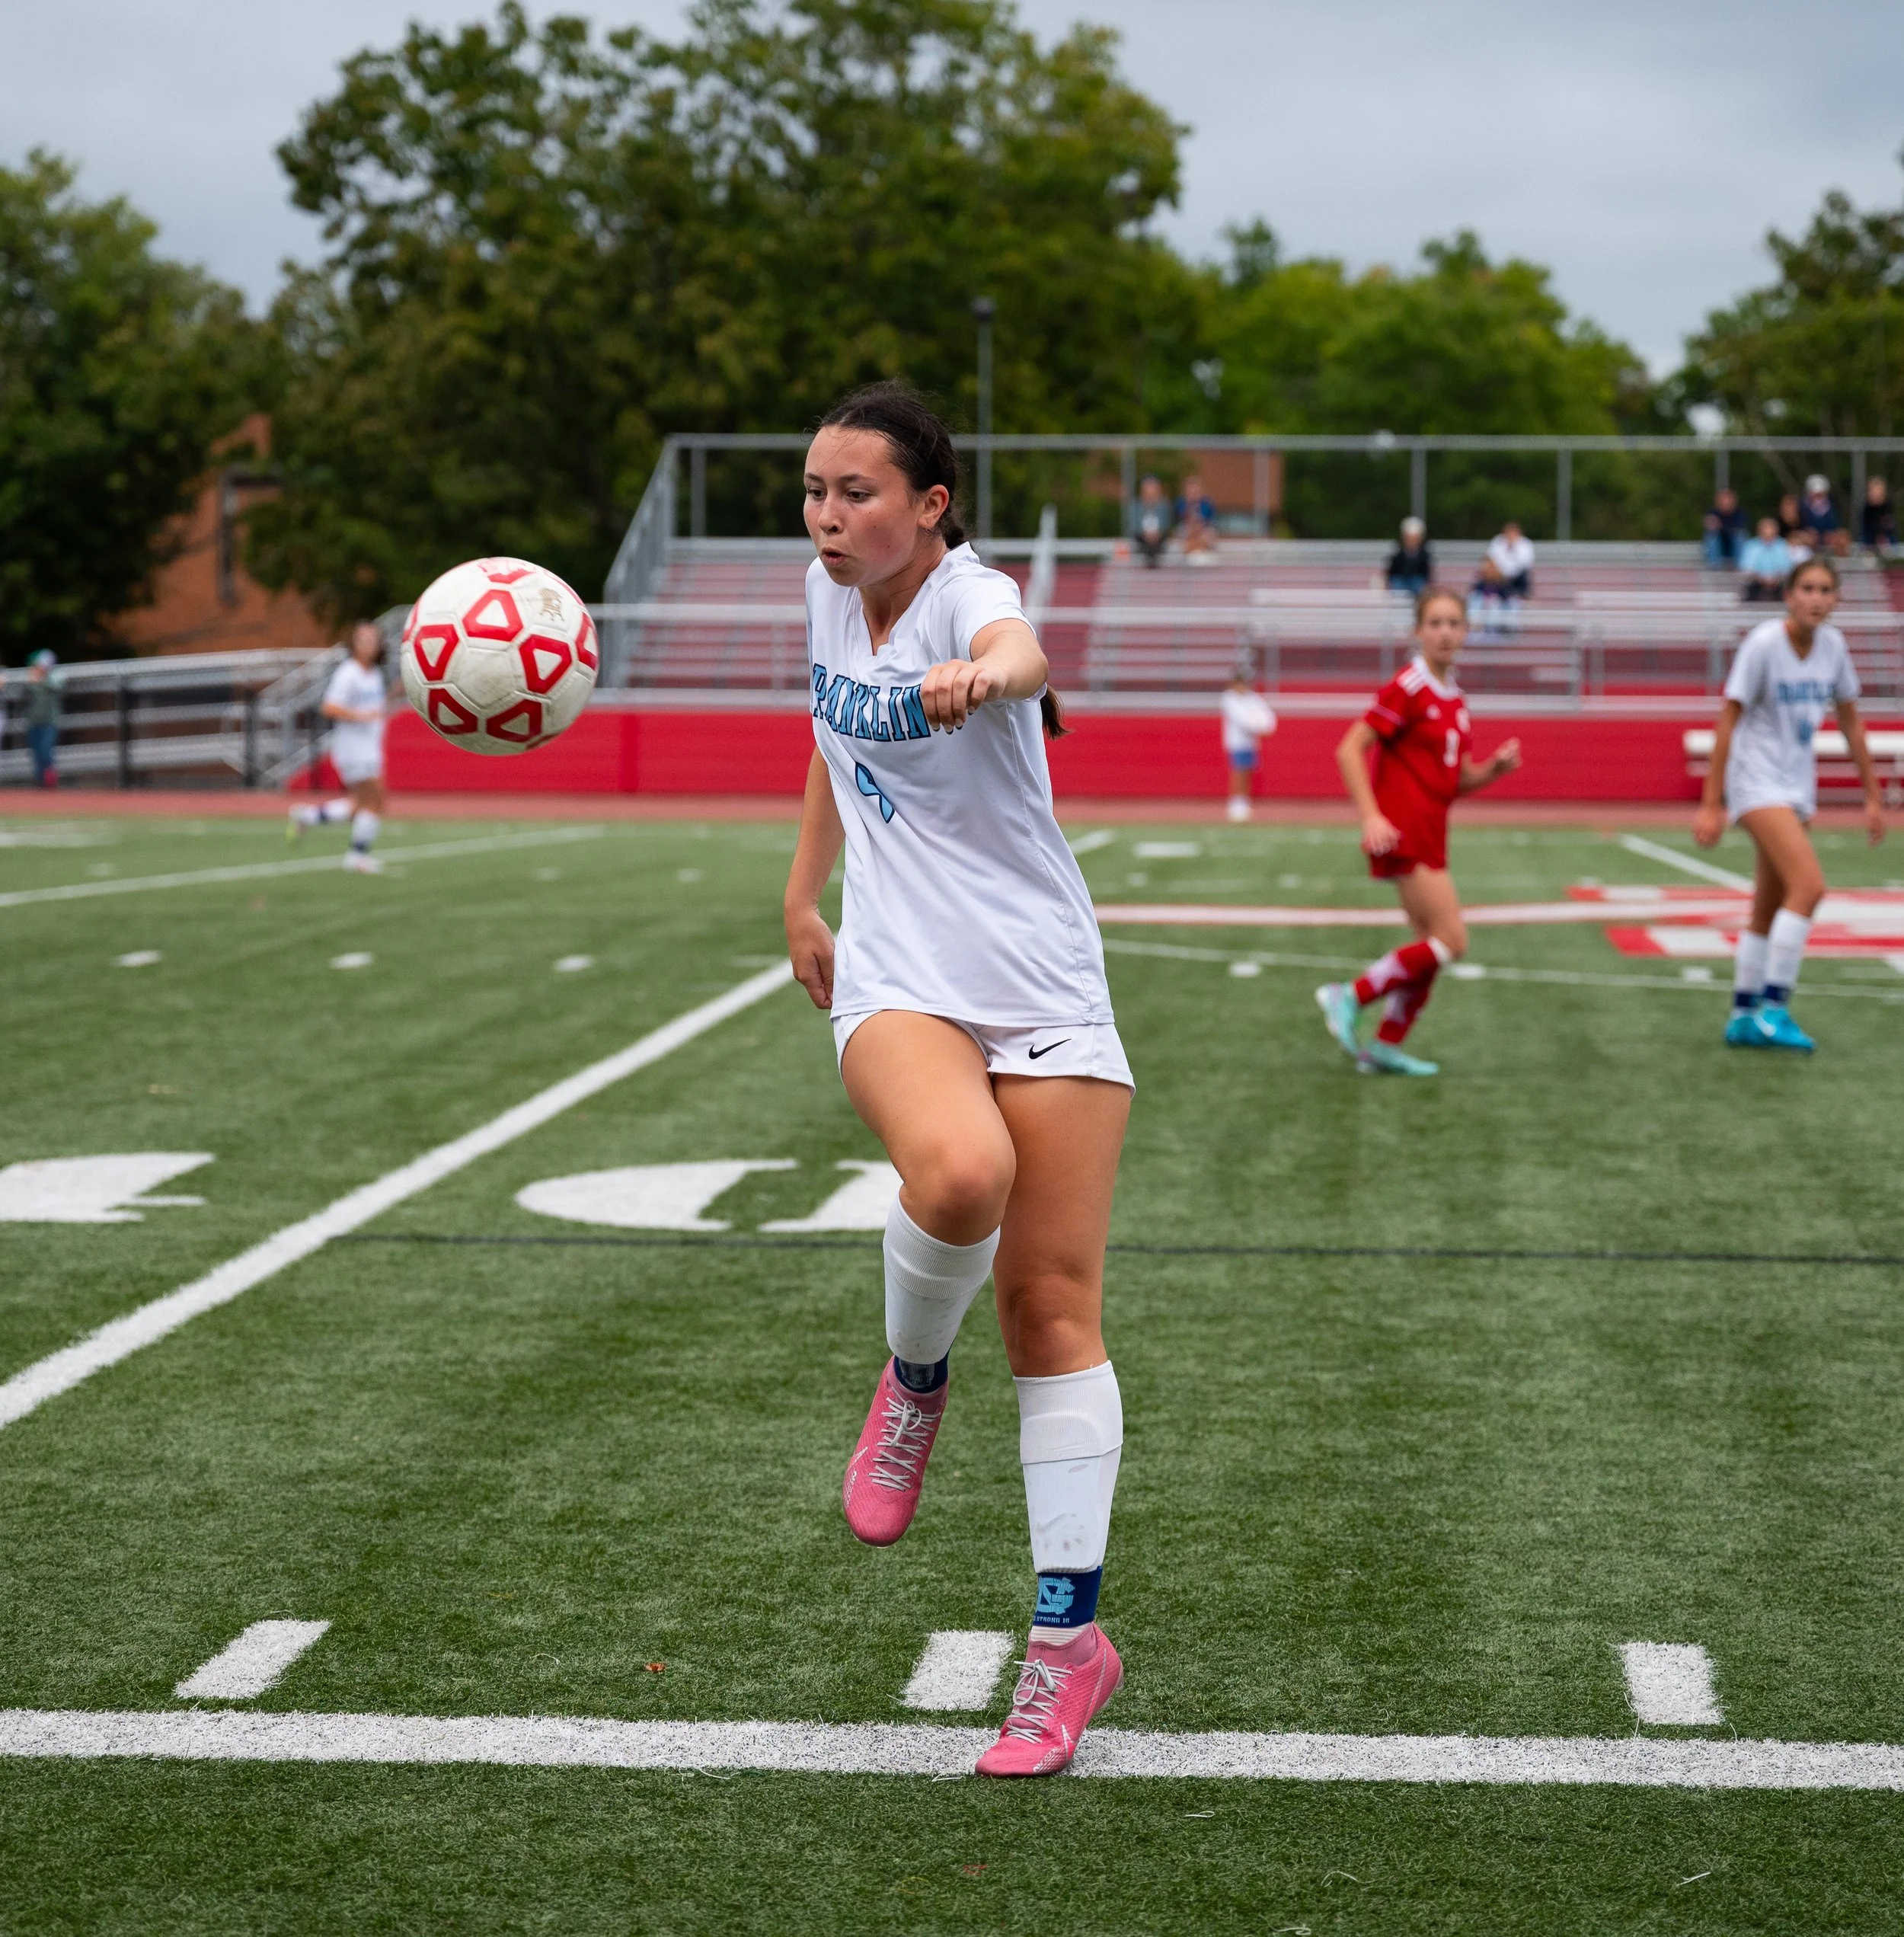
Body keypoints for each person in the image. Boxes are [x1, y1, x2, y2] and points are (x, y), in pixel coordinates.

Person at [785, 382, 1134, 1779]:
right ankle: (914, 1377)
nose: (826, 515)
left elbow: (1023, 648)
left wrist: (991, 676)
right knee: (961, 1173)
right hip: (899, 968)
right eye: (813, 490)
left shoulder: (967, 591)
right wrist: (802, 896)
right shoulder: (826, 591)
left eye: (855, 493)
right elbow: (833, 736)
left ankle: (1067, 1646)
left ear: (929, 506)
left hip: (1045, 976)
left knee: (1052, 1306)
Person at [1315, 588, 1522, 1075]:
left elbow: (1453, 780)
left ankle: (1385, 1045)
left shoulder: (1457, 700)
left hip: (1433, 830)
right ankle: (1350, 994)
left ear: (1467, 631)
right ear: (1418, 631)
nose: (1445, 632)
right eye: (1435, 623)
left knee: (1429, 946)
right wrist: (1371, 816)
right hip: (1404, 830)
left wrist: (1494, 769)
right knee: (1452, 940)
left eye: (1454, 623)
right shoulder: (1408, 685)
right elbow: (1349, 750)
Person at [1694, 556, 1883, 1053]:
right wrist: (1710, 804)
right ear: (1789, 595)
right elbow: (1727, 721)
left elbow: (1851, 722)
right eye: (1807, 588)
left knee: (1768, 905)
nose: (1816, 598)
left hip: (1797, 787)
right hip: (1756, 782)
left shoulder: (1834, 648)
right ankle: (1775, 1010)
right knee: (1810, 887)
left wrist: (1872, 793)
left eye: (1825, 589)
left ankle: (1742, 1014)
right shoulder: (1762, 644)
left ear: (1837, 598)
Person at [289, 622, 389, 871]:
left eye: (373, 639)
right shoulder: (348, 673)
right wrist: (361, 716)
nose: (370, 644)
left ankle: (306, 816)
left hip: (370, 746)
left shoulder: (374, 674)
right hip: (354, 748)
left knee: (359, 805)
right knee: (375, 801)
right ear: (354, 645)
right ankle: (356, 855)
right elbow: (329, 707)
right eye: (364, 639)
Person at [1220, 670, 1277, 822]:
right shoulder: (1229, 699)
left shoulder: (1253, 699)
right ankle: (1235, 802)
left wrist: (1265, 726)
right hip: (1236, 742)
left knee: (1248, 771)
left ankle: (1244, 800)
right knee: (1238, 771)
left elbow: (1267, 716)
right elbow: (1242, 720)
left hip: (1250, 743)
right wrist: (1258, 726)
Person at [24, 650, 61, 788]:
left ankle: (50, 779)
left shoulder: (55, 676)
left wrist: (41, 680)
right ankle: (39, 780)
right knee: (36, 752)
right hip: (34, 721)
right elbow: (25, 695)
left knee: (45, 750)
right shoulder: (32, 679)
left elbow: (56, 686)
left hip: (49, 722)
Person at [1737, 516, 1793, 603]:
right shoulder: (1751, 546)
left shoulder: (1783, 545)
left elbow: (1787, 567)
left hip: (1778, 583)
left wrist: (1775, 579)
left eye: (1770, 528)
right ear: (1759, 530)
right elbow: (1746, 568)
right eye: (1765, 528)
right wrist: (1762, 579)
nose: (1768, 531)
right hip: (1756, 582)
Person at [1797, 475, 1848, 557]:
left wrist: (1831, 534)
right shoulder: (1801, 506)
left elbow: (1836, 525)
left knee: (1843, 537)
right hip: (1809, 538)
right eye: (1815, 494)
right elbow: (1797, 526)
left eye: (1820, 494)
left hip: (1828, 537)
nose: (1818, 497)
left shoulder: (1833, 505)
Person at [1485, 519, 1535, 598]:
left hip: (1518, 576)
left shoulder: (1526, 544)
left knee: (1522, 577)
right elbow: (1490, 558)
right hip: (1499, 575)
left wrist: (1513, 548)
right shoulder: (1497, 542)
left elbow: (1526, 563)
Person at [1385, 517, 1433, 596]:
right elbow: (1392, 571)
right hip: (1400, 579)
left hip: (1417, 580)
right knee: (1398, 587)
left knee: (1419, 586)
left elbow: (1426, 573)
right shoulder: (1397, 553)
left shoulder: (1424, 555)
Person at [1131, 475, 1171, 567]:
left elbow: (1166, 524)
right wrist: (1145, 534)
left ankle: (1153, 565)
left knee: (1158, 545)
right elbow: (1133, 525)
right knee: (1144, 545)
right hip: (1141, 538)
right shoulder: (1135, 506)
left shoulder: (1164, 505)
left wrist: (1157, 533)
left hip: (1159, 537)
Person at [1177, 473, 1218, 564]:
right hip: (1187, 528)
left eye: (1195, 489)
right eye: (1191, 489)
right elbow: (1182, 518)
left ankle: (1197, 555)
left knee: (1208, 535)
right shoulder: (1181, 503)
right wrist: (1189, 504)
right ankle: (1192, 557)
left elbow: (1209, 520)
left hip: (1203, 529)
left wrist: (1199, 526)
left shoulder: (1207, 503)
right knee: (1184, 534)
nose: (1193, 492)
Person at [1702, 486, 1746, 567]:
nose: (1726, 502)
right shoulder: (1712, 512)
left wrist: (1720, 526)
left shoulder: (1740, 513)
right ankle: (1714, 566)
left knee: (1739, 536)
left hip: (1733, 548)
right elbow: (1710, 526)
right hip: (1718, 548)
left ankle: (1741, 566)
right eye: (1723, 499)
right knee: (1712, 536)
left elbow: (1738, 528)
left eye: (1728, 499)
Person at [1860, 476, 1896, 556]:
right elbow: (1866, 530)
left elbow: (1889, 527)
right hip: (1870, 542)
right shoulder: (1867, 509)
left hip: (1887, 541)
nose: (1875, 494)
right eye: (1873, 491)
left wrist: (1883, 538)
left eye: (1878, 491)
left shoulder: (1887, 508)